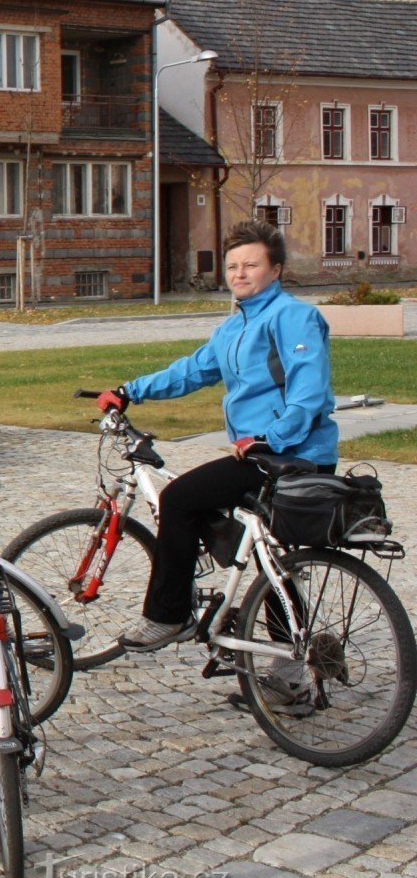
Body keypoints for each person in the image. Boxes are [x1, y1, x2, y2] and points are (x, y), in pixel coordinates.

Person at [96, 219, 335, 653]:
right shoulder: (232, 329)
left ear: (276, 269)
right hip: (262, 455)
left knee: (180, 500)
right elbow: (192, 370)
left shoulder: (293, 317)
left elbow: (309, 391)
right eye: (232, 267)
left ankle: (168, 616)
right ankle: (290, 672)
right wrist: (131, 390)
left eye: (251, 265)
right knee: (273, 561)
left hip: (294, 454)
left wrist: (270, 436)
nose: (239, 274)